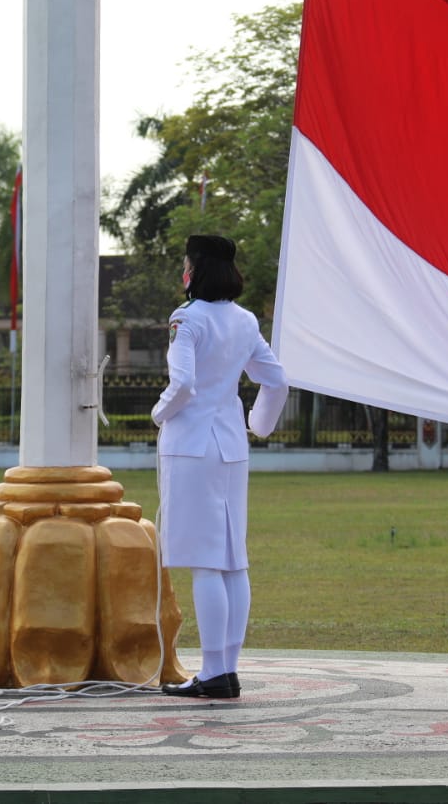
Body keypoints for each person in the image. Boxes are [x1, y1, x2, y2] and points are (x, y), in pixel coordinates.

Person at [156, 235, 289, 700]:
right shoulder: (245, 319)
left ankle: (213, 671)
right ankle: (226, 667)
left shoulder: (186, 318)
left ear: (196, 270)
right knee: (233, 559)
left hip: (192, 446)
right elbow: (275, 379)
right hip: (232, 446)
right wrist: (259, 424)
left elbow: (184, 382)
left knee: (205, 562)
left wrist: (159, 412)